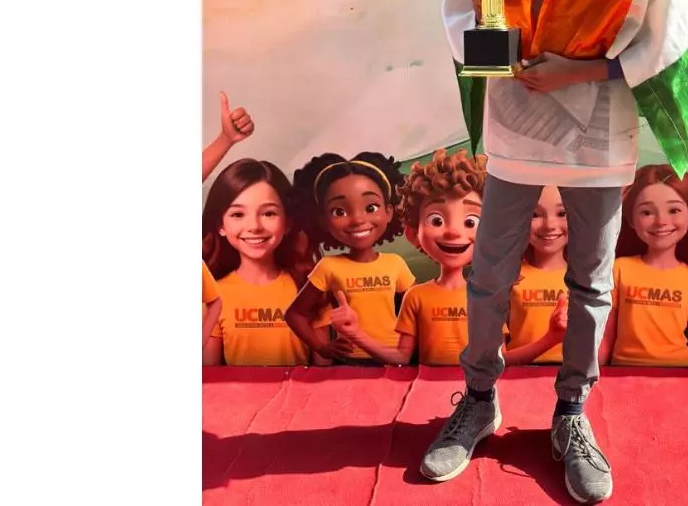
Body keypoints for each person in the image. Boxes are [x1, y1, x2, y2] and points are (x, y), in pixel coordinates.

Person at [426, 0, 688, 505]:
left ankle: (570, 413)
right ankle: (479, 400)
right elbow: (466, 29)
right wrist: (484, 3)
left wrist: (579, 70)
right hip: (520, 122)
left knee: (590, 278)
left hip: (596, 127)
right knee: (490, 275)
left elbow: (667, 39)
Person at [326, 149, 484, 367]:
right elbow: (401, 357)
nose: (453, 232)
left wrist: (537, 346)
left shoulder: (485, 296)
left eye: (470, 222)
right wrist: (355, 334)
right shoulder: (415, 297)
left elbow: (499, 357)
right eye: (436, 220)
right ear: (412, 233)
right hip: (426, 385)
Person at [286, 153, 413, 365]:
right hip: (350, 362)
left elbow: (418, 309)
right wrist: (322, 348)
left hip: (393, 359)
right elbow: (295, 314)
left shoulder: (395, 263)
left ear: (389, 212)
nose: (358, 220)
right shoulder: (328, 266)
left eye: (371, 207)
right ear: (323, 220)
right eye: (339, 211)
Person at [598, 166, 688, 367]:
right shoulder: (619, 269)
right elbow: (604, 338)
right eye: (647, 212)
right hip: (623, 371)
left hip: (678, 372)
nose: (661, 222)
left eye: (674, 210)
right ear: (631, 219)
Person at [202, 158, 316, 366]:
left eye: (268, 213)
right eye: (238, 214)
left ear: (288, 222)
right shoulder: (212, 297)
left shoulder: (310, 289)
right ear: (221, 225)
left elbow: (326, 375)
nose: (254, 226)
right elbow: (211, 377)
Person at [502, 186, 569, 366]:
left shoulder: (588, 280)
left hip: (575, 378)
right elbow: (497, 360)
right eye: (535, 215)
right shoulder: (508, 278)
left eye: (562, 213)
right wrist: (550, 339)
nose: (549, 225)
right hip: (518, 376)